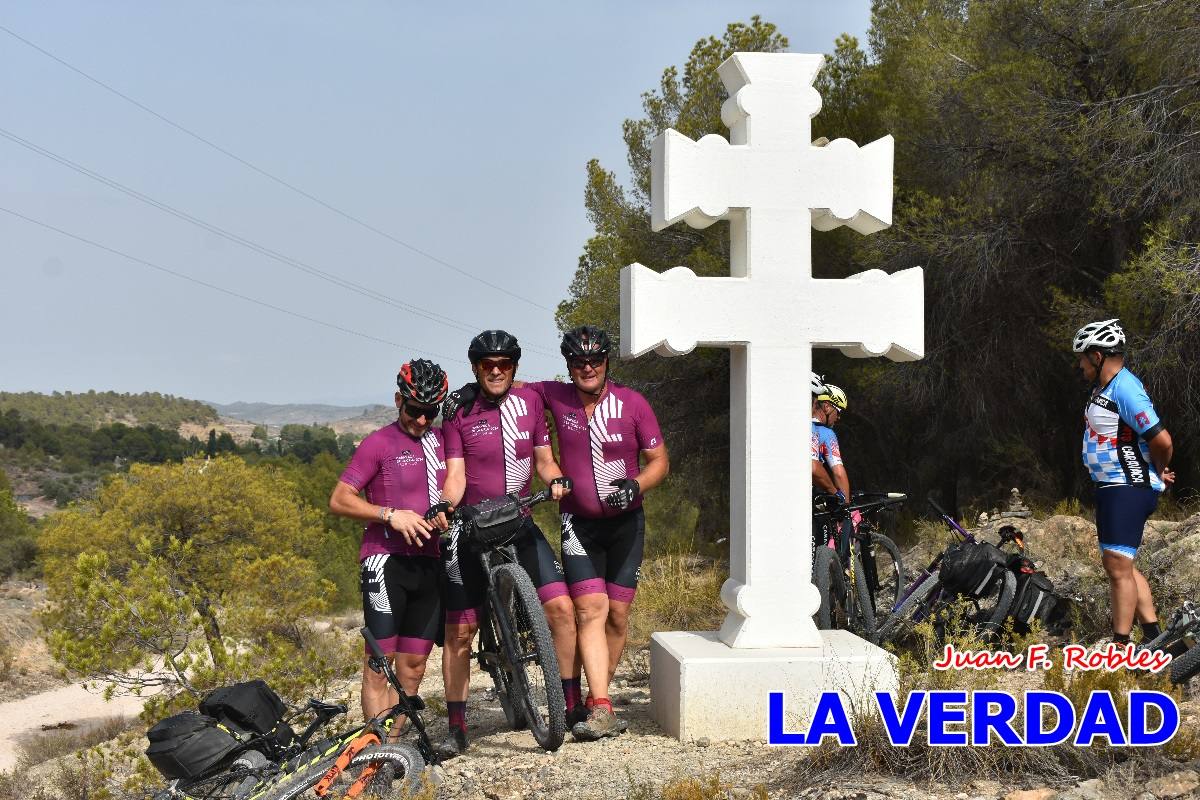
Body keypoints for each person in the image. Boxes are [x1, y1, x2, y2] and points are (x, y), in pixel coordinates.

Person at [437, 330, 575, 758]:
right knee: (460, 631)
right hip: (473, 527)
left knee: (562, 609)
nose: (495, 371)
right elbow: (456, 473)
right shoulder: (459, 411)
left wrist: (554, 479)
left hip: (520, 520)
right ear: (476, 369)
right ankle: (457, 726)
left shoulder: (530, 403)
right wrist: (445, 504)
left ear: (514, 367)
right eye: (486, 365)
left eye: (504, 364)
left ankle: (570, 706)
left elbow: (544, 457)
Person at [328, 359, 451, 734]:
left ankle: (392, 747)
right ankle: (373, 751)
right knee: (380, 664)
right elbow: (339, 499)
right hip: (385, 561)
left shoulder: (442, 442)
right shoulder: (378, 443)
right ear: (399, 400)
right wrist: (389, 514)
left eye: (430, 412)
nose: (421, 420)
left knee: (413, 667)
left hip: (430, 562)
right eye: (414, 410)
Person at [1073, 318, 1174, 646]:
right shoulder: (1103, 389)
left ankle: (1121, 645)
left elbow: (1163, 440)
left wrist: (1158, 470)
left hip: (1126, 487)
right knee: (1122, 566)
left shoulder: (1126, 388)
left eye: (1082, 357)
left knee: (1117, 568)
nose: (1080, 365)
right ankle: (1155, 638)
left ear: (1097, 356)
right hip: (1112, 486)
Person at [810, 373, 838, 496]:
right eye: (815, 402)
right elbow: (813, 467)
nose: (815, 407)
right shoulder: (808, 428)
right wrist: (834, 493)